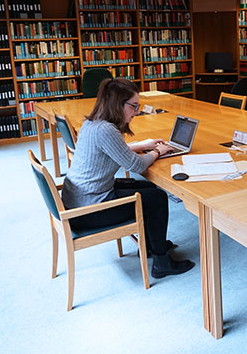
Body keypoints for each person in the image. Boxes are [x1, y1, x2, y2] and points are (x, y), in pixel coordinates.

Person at [61, 78, 194, 279]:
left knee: (146, 188)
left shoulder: (92, 123)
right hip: (89, 210)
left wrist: (143, 146)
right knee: (157, 198)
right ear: (118, 104)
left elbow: (111, 151)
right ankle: (161, 262)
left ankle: (150, 244)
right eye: (134, 106)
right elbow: (137, 165)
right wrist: (158, 151)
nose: (137, 111)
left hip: (80, 199)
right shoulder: (107, 130)